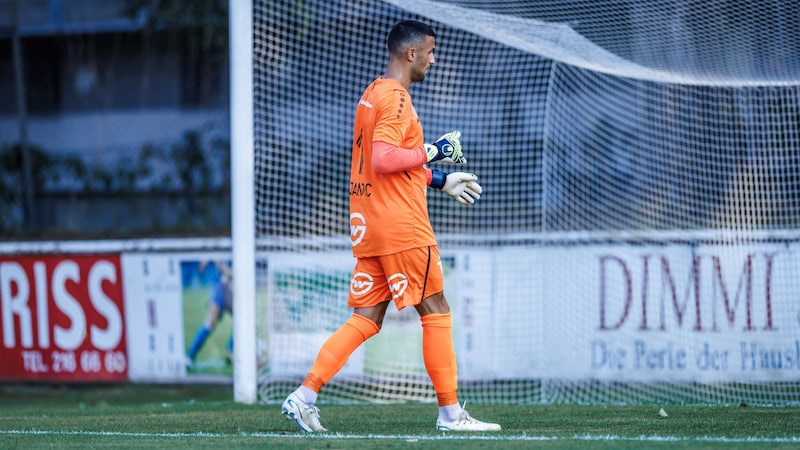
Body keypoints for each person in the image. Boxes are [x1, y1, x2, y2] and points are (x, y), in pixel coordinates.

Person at [281, 20, 500, 433]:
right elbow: (384, 159)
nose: (434, 60)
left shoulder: (372, 92)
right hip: (402, 226)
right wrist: (436, 150)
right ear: (411, 54)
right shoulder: (397, 98)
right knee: (436, 310)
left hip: (370, 223)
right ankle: (452, 415)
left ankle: (304, 395)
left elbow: (388, 165)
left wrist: (439, 178)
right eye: (431, 52)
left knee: (366, 319)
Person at [186, 260, 233, 367]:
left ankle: (230, 351)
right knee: (211, 321)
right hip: (221, 288)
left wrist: (221, 266)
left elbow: (235, 274)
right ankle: (190, 356)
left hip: (235, 290)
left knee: (243, 322)